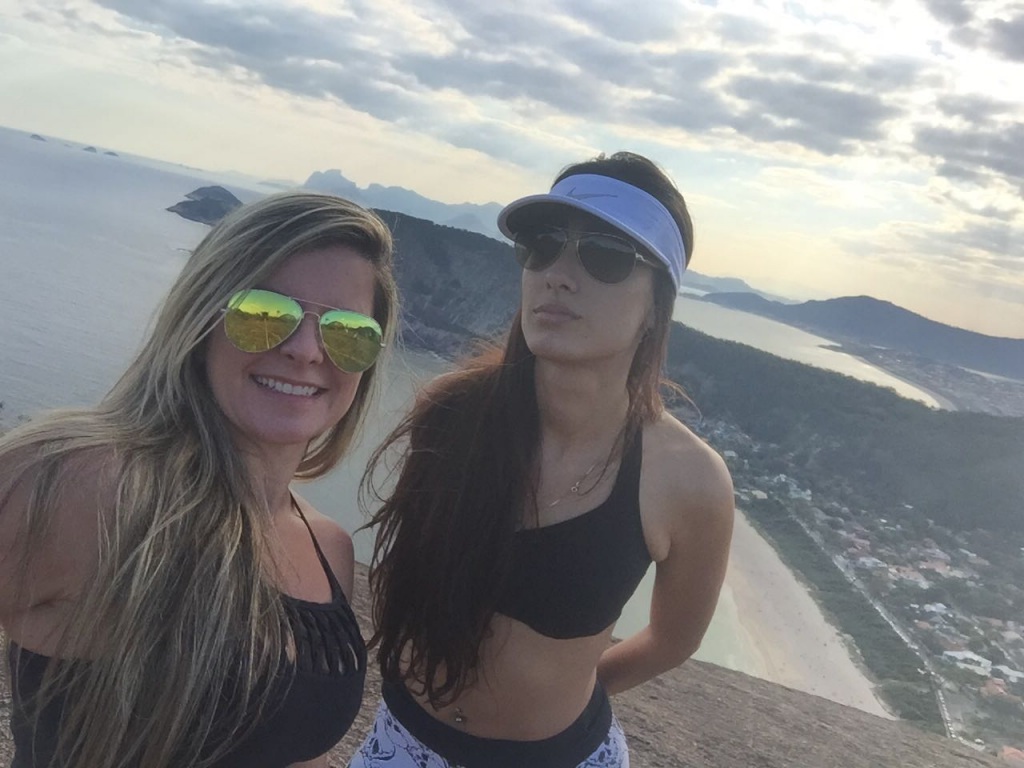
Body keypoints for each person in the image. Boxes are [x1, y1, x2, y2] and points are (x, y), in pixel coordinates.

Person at [350, 152, 735, 768]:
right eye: (544, 245)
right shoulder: (452, 413)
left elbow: (673, 639)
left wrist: (569, 697)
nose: (558, 274)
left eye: (605, 256)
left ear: (656, 307)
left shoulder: (688, 481)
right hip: (404, 743)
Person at [0, 191, 399, 768]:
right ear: (202, 319)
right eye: (263, 313)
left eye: (348, 331)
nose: (307, 350)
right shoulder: (90, 487)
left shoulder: (329, 548)